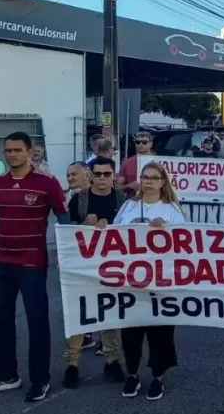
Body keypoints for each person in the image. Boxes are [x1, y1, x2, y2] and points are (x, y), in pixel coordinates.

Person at [0, 132, 70, 402]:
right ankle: (7, 375)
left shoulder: (47, 183)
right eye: (9, 150)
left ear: (30, 151)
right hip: (0, 264)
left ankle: (40, 380)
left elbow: (65, 222)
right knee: (0, 322)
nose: (12, 154)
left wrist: (70, 258)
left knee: (37, 323)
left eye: (18, 150)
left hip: (32, 264)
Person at [113, 162, 184, 401]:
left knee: (160, 332)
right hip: (129, 279)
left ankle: (157, 377)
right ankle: (132, 374)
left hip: (160, 281)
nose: (149, 182)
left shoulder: (172, 209)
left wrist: (166, 230)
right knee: (131, 331)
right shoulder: (128, 206)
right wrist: (101, 227)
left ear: (163, 183)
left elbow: (185, 244)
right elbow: (113, 235)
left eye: (155, 178)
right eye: (145, 177)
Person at [63, 156, 127, 389]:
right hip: (82, 268)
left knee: (110, 314)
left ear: (114, 175)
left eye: (106, 174)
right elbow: (63, 231)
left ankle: (112, 361)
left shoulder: (124, 200)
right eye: (97, 174)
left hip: (113, 268)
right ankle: (72, 365)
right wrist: (83, 225)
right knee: (80, 315)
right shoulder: (79, 200)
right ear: (90, 175)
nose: (102, 178)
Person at [118, 131, 153, 198]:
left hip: (154, 202)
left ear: (150, 144)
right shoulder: (127, 163)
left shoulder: (157, 162)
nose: (141, 144)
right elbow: (118, 187)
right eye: (138, 142)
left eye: (144, 142)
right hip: (133, 200)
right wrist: (129, 185)